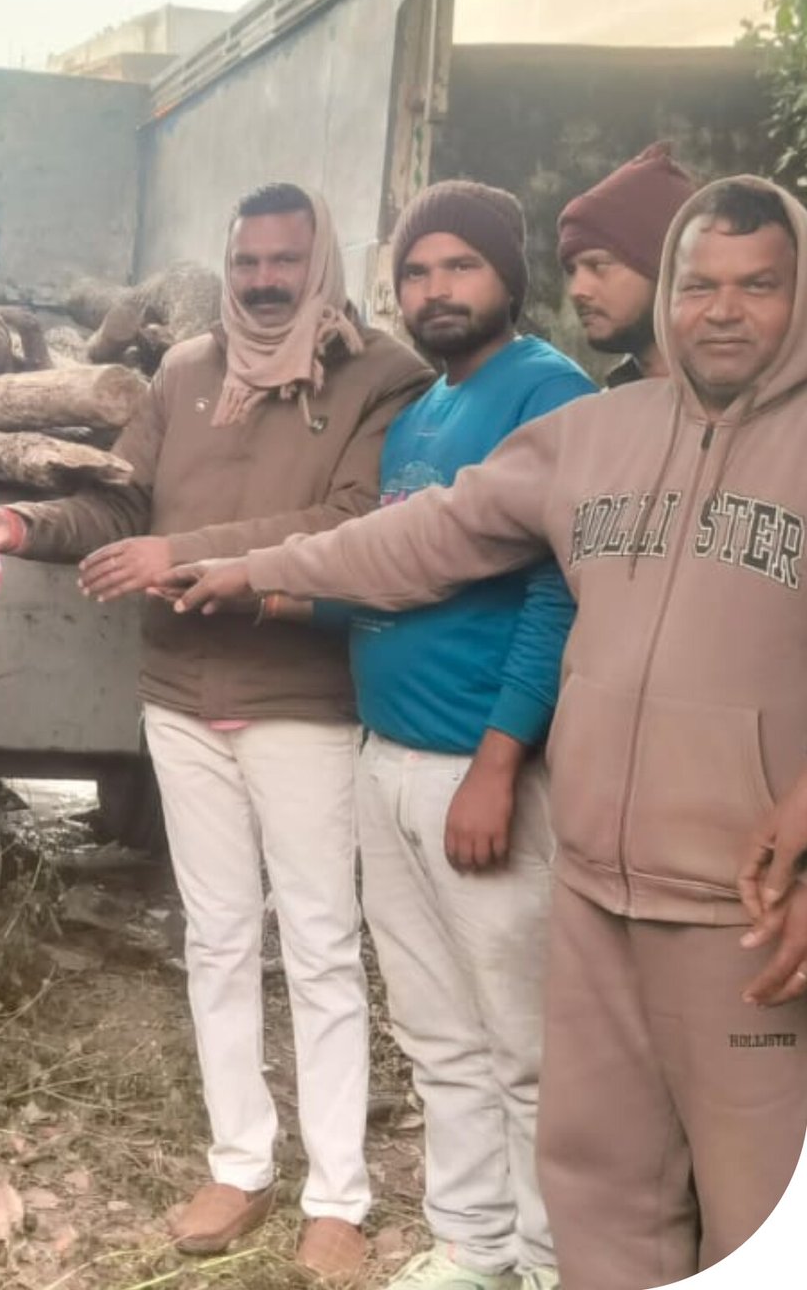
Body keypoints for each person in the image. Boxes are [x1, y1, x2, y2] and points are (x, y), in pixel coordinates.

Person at [166, 175, 807, 1290]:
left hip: (744, 899)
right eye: (697, 284)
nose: (721, 311)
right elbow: (425, 535)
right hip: (594, 884)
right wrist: (259, 566)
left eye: (757, 286)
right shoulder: (594, 435)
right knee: (601, 1177)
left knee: (755, 1191)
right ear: (669, 293)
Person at [0, 183, 431, 1280]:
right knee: (214, 936)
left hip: (302, 697)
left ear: (320, 263)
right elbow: (124, 505)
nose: (262, 281)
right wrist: (21, 523)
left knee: (319, 943)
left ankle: (338, 1194)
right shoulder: (184, 370)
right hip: (179, 692)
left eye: (284, 260)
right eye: (246, 261)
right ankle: (239, 1163)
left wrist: (186, 552)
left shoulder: (378, 375)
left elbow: (351, 523)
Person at [309, 183, 592, 1290]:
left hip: (480, 769)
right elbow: (394, 567)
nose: (436, 290)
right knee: (435, 1032)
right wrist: (253, 585)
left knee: (527, 1045)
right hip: (389, 758)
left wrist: (500, 759)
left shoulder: (547, 393)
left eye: (460, 266)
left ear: (508, 278)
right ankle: (474, 1244)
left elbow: (559, 592)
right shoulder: (424, 408)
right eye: (417, 272)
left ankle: (553, 1258)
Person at [558, 141, 696, 386]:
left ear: (666, 267)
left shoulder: (755, 400)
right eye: (572, 270)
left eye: (598, 266)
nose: (577, 290)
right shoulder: (607, 404)